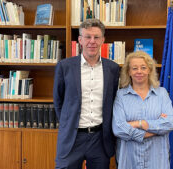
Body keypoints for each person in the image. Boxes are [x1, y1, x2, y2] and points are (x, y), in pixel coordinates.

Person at [53, 18, 120, 169]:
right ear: (80, 40)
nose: (92, 41)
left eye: (96, 37)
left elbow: (113, 100)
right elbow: (58, 101)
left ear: (103, 40)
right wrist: (67, 124)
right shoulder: (65, 67)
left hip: (100, 138)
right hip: (72, 137)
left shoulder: (113, 69)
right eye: (87, 37)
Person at [112, 51, 173, 169]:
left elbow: (170, 123)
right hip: (129, 159)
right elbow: (118, 128)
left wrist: (139, 123)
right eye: (134, 68)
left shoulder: (162, 94)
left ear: (149, 70)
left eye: (143, 67)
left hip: (157, 159)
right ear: (129, 72)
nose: (139, 71)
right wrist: (154, 130)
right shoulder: (120, 96)